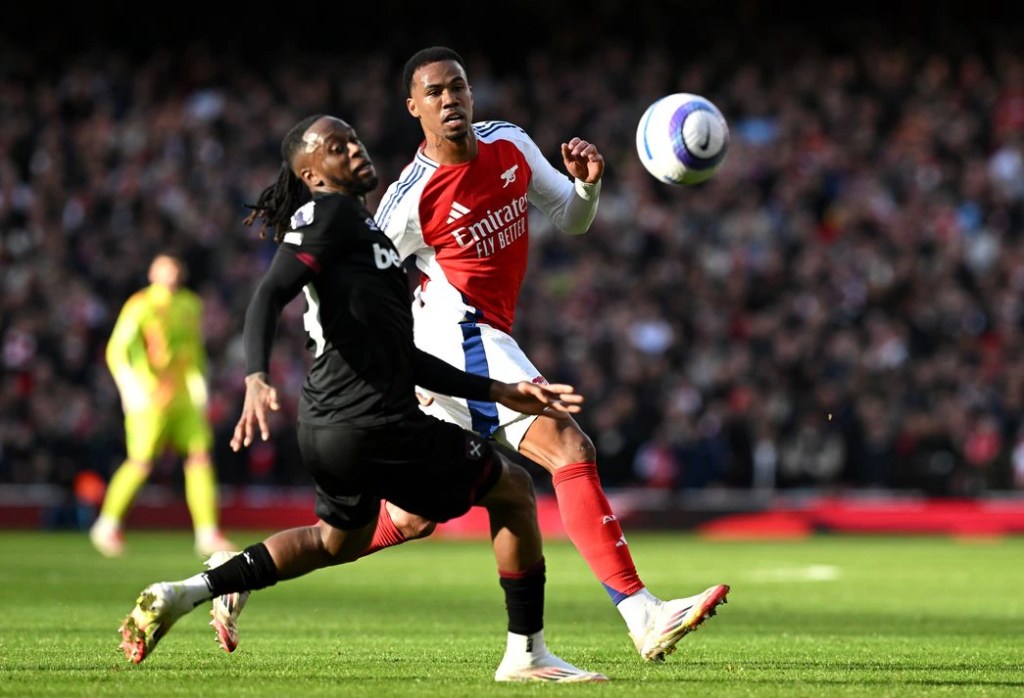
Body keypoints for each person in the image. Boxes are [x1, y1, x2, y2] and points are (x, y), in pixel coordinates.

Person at [118, 114, 608, 683]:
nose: (354, 149)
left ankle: (190, 589)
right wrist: (255, 375)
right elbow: (269, 293)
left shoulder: (372, 238)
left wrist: (497, 390)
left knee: (336, 541)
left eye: (352, 140)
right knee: (515, 490)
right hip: (372, 417)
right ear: (312, 175)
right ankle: (527, 655)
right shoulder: (327, 215)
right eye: (336, 147)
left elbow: (402, 354)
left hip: (330, 429)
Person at [369, 46, 730, 662]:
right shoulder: (410, 198)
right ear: (413, 108)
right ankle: (641, 612)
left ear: (472, 94)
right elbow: (362, 281)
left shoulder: (509, 143)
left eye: (458, 86)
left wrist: (587, 185)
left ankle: (239, 571)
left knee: (411, 517)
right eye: (435, 92)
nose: (450, 99)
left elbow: (571, 217)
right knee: (568, 446)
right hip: (456, 336)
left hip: (476, 340)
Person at [90, 252, 235, 558]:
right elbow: (117, 349)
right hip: (150, 396)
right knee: (141, 462)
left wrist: (200, 386)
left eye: (174, 269)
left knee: (200, 458)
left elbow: (195, 350)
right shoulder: (140, 305)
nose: (170, 275)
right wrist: (129, 389)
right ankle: (107, 524)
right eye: (164, 269)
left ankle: (207, 534)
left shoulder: (190, 305)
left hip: (183, 398)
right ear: (152, 274)